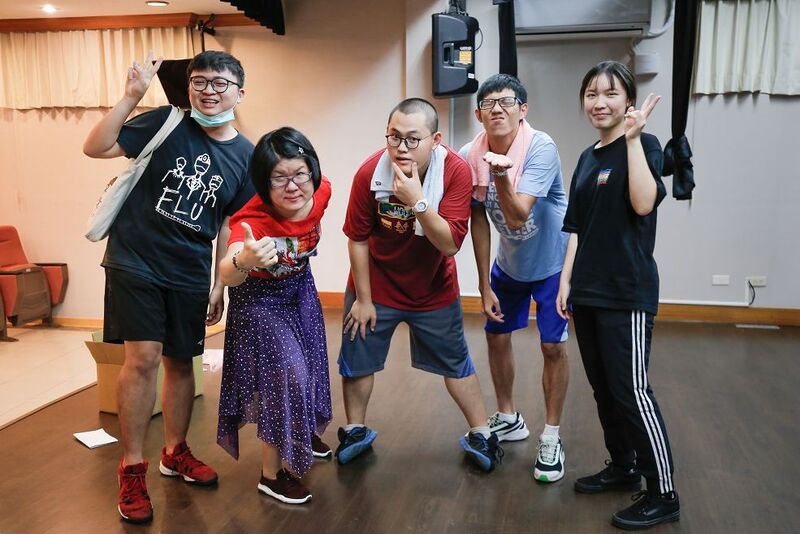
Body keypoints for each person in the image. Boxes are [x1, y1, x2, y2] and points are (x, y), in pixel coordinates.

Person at [83, 50, 255, 524]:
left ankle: (174, 451)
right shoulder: (166, 121)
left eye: (221, 84)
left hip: (190, 270)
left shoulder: (246, 155)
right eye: (200, 81)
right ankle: (132, 468)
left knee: (183, 363)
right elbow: (96, 147)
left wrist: (219, 282)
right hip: (134, 259)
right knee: (143, 358)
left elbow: (227, 222)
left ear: (240, 92)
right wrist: (129, 97)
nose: (209, 90)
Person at [336, 98, 503, 472]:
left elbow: (448, 244)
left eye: (413, 139)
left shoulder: (455, 172)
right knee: (358, 357)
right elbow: (357, 239)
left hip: (433, 287)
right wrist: (363, 299)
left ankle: (482, 432)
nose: (401, 147)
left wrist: (418, 201)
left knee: (455, 362)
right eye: (394, 137)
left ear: (436, 140)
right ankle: (355, 429)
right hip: (376, 284)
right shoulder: (370, 173)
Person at [556, 60, 679, 529]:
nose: (599, 102)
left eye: (610, 93)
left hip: (626, 292)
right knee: (604, 389)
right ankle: (623, 465)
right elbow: (575, 228)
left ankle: (663, 493)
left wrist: (631, 140)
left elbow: (644, 203)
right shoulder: (587, 158)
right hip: (586, 289)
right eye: (591, 93)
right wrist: (566, 282)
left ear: (628, 101)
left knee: (632, 392)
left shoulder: (642, 145)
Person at [216, 127, 333, 505]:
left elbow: (311, 210)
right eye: (278, 178)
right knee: (287, 375)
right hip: (259, 302)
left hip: (299, 289)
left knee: (312, 364)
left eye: (299, 173)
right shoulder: (252, 220)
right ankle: (271, 474)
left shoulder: (321, 192)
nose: (293, 186)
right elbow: (228, 269)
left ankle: (299, 431)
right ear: (262, 183)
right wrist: (244, 260)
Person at [462, 74, 570, 483]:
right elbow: (478, 218)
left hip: (552, 265)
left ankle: (552, 435)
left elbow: (518, 214)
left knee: (552, 346)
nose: (497, 109)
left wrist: (502, 174)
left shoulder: (541, 148)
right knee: (495, 335)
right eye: (489, 104)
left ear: (523, 110)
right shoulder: (472, 153)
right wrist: (484, 283)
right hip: (509, 266)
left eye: (507, 102)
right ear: (478, 115)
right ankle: (508, 417)